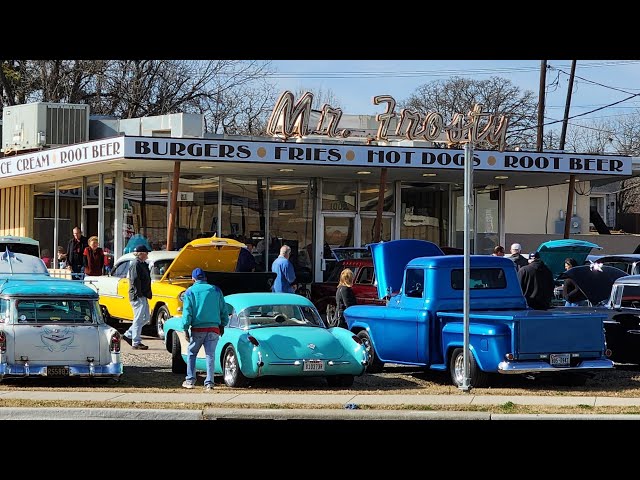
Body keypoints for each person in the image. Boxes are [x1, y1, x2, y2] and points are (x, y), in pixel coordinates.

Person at [181, 267, 229, 391]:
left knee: (192, 353)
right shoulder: (216, 290)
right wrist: (223, 324)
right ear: (205, 278)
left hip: (198, 328)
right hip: (214, 328)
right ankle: (209, 383)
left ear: (193, 279)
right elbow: (224, 309)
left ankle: (190, 380)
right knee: (210, 355)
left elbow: (187, 312)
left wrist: (185, 328)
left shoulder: (190, 292)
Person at [123, 245, 152, 350]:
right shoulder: (136, 264)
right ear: (141, 254)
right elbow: (135, 280)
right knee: (139, 319)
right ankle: (136, 342)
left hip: (142, 294)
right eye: (146, 253)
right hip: (138, 295)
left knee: (145, 318)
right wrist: (138, 294)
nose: (147, 255)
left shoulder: (142, 264)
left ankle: (129, 334)